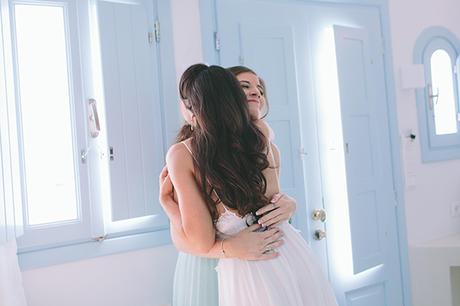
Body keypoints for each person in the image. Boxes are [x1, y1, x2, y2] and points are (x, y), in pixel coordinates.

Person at [163, 63, 338, 305]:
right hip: (288, 254)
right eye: (244, 87)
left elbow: (202, 237)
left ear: (192, 106)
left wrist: (168, 205)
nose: (255, 93)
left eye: (259, 89)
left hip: (251, 265)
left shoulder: (183, 154)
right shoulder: (259, 138)